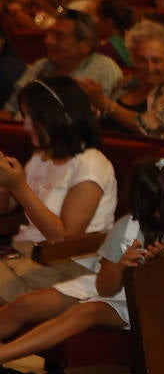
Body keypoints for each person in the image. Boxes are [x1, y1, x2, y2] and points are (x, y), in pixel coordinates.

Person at [0, 157, 164, 365]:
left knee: (86, 312)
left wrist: (161, 263)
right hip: (114, 289)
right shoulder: (126, 228)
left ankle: (5, 353)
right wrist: (121, 266)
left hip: (153, 304)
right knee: (27, 303)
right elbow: (105, 287)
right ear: (158, 209)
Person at [0, 77, 117, 302]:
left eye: (32, 119)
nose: (25, 126)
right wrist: (5, 182)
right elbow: (5, 207)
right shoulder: (42, 156)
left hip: (68, 266)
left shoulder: (91, 165)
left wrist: (19, 186)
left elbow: (64, 240)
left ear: (57, 118)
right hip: (27, 254)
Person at [0, 9, 122, 118]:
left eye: (59, 37)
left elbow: (110, 119)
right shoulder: (40, 66)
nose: (48, 41)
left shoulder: (104, 69)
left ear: (85, 45)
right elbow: (10, 110)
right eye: (49, 34)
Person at [86, 20, 164, 140]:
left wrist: (105, 104)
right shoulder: (125, 84)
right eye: (142, 60)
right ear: (133, 59)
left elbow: (150, 127)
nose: (150, 68)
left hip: (150, 157)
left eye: (156, 61)